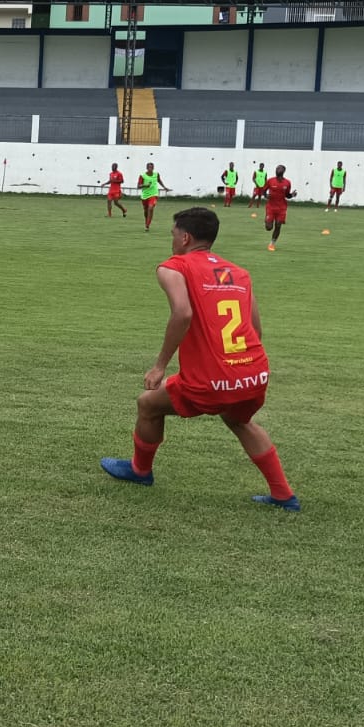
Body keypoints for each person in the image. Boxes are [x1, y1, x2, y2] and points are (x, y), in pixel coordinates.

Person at [99, 206, 300, 512]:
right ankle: (284, 495)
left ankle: (140, 471)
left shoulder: (174, 267)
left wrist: (160, 366)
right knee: (239, 419)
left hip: (211, 380)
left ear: (185, 237)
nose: (172, 239)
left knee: (147, 405)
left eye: (173, 233)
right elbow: (255, 328)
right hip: (255, 373)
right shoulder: (239, 273)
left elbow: (182, 313)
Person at [262, 164, 295, 251]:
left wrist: (292, 195)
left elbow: (287, 195)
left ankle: (272, 244)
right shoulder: (270, 181)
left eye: (279, 169)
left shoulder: (287, 183)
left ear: (283, 171)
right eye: (276, 169)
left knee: (278, 225)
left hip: (281, 208)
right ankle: (267, 219)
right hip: (271, 207)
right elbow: (263, 191)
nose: (277, 170)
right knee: (268, 228)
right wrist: (265, 195)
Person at [135, 162, 170, 231]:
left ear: (153, 168)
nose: (150, 169)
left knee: (150, 208)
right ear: (147, 168)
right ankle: (146, 221)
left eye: (152, 167)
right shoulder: (142, 175)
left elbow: (159, 181)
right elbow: (138, 186)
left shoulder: (156, 174)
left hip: (154, 194)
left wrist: (164, 187)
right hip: (145, 195)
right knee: (145, 210)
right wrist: (145, 185)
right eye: (149, 167)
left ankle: (147, 226)